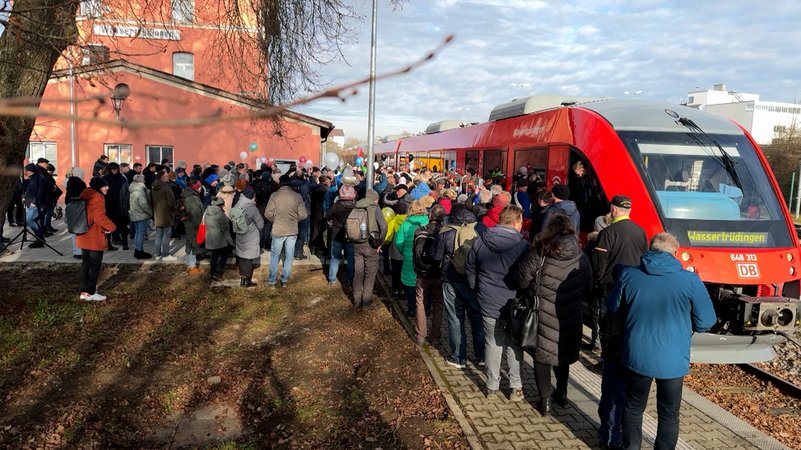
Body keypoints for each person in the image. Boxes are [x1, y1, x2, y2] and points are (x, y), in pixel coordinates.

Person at [608, 232, 716, 450]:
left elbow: (613, 307)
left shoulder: (629, 275)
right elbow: (706, 321)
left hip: (637, 355)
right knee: (669, 414)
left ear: (650, 249)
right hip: (673, 358)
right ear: (675, 253)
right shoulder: (690, 280)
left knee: (633, 407)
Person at [512, 213, 592, 415]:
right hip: (571, 314)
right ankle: (562, 394)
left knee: (542, 356)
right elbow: (588, 287)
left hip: (543, 312)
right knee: (562, 353)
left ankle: (545, 402)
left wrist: (532, 292)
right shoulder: (581, 256)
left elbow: (521, 280)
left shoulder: (540, 252)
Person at [593, 195, 648, 450]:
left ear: (613, 209)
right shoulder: (640, 232)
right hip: (633, 295)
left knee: (609, 337)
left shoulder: (608, 233)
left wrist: (600, 283)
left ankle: (608, 434)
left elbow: (599, 264)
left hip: (612, 291)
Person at [465, 204, 530, 401]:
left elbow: (470, 267)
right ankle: (516, 387)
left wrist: (476, 288)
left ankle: (492, 386)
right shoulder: (524, 246)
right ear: (517, 223)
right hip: (515, 302)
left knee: (492, 342)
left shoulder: (481, 241)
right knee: (514, 344)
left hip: (488, 299)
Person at [434, 204, 485, 369]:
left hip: (451, 279)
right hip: (474, 281)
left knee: (455, 319)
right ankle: (482, 356)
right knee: (477, 318)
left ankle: (458, 357)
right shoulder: (480, 229)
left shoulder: (445, 232)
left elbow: (436, 256)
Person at [263, 175, 307, 287]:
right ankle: (284, 280)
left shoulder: (274, 195)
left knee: (275, 255)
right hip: (292, 230)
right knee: (289, 255)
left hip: (278, 229)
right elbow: (303, 215)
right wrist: (294, 220)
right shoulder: (297, 196)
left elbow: (267, 214)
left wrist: (275, 220)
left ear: (280, 182)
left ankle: (272, 280)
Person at [411, 204, 447, 342]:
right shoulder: (445, 233)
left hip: (422, 273)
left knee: (420, 302)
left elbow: (414, 252)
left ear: (430, 215)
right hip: (438, 273)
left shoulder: (419, 231)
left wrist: (416, 268)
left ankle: (420, 334)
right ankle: (435, 336)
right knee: (438, 304)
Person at [77, 178, 116, 301]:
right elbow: (99, 218)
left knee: (85, 264)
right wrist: (112, 227)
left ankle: (84, 292)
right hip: (94, 237)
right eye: (105, 186)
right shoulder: (97, 199)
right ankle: (91, 292)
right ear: (98, 187)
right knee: (94, 266)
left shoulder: (85, 195)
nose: (107, 188)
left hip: (83, 234)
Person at [395, 200, 429, 339]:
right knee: (424, 284)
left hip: (410, 258)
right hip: (424, 260)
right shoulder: (427, 223)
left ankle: (411, 308)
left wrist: (405, 252)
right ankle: (426, 308)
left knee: (410, 284)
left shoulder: (405, 224)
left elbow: (399, 242)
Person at [351, 188, 388, 309]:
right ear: (375, 199)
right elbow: (384, 226)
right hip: (371, 245)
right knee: (370, 274)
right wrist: (380, 242)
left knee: (358, 273)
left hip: (356, 243)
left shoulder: (356, 206)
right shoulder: (375, 208)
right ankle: (366, 303)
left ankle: (356, 301)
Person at [326, 184, 358, 286]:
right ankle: (349, 279)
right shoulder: (356, 206)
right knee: (350, 258)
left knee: (335, 258)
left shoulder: (336, 206)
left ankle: (332, 279)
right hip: (351, 235)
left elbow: (327, 216)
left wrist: (332, 221)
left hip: (337, 235)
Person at [235, 189, 264, 287]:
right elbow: (260, 225)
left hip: (239, 234)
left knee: (242, 257)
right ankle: (247, 281)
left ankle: (242, 279)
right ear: (252, 197)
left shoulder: (237, 205)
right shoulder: (252, 208)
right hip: (250, 236)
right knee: (248, 258)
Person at [102, 162, 130, 250]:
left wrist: (127, 205)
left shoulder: (122, 179)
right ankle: (109, 244)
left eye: (116, 168)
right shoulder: (105, 179)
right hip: (109, 206)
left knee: (123, 226)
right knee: (108, 226)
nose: (114, 170)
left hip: (121, 206)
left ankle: (125, 244)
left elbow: (127, 193)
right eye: (112, 169)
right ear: (109, 169)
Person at [204, 197, 233, 281]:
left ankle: (212, 272)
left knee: (214, 256)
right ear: (220, 205)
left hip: (209, 238)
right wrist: (231, 242)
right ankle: (217, 272)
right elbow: (225, 230)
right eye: (223, 204)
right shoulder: (221, 214)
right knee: (225, 255)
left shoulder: (206, 211)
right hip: (220, 240)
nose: (224, 206)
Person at [151, 169, 177, 261]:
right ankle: (165, 254)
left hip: (157, 214)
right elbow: (171, 202)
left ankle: (157, 254)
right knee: (166, 236)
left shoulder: (154, 187)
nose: (168, 178)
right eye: (166, 176)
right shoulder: (166, 188)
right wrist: (175, 208)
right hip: (166, 215)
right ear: (162, 177)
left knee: (158, 235)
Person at [181, 180, 206, 274]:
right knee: (192, 244)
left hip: (190, 223)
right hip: (193, 223)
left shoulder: (190, 195)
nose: (200, 188)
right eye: (199, 187)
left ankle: (190, 264)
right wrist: (200, 224)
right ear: (195, 187)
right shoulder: (191, 198)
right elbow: (195, 213)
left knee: (190, 243)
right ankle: (192, 266)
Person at [23, 163, 48, 247]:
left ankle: (40, 239)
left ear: (30, 171)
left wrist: (34, 202)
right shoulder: (34, 177)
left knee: (30, 220)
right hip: (33, 204)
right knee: (32, 220)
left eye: (26, 171)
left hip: (36, 204)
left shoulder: (39, 178)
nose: (25, 172)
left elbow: (41, 191)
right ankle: (39, 239)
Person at [65, 167, 87, 259]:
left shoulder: (68, 182)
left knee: (73, 230)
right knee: (80, 230)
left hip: (70, 207)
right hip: (79, 208)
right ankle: (80, 251)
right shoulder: (80, 183)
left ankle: (76, 251)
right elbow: (84, 195)